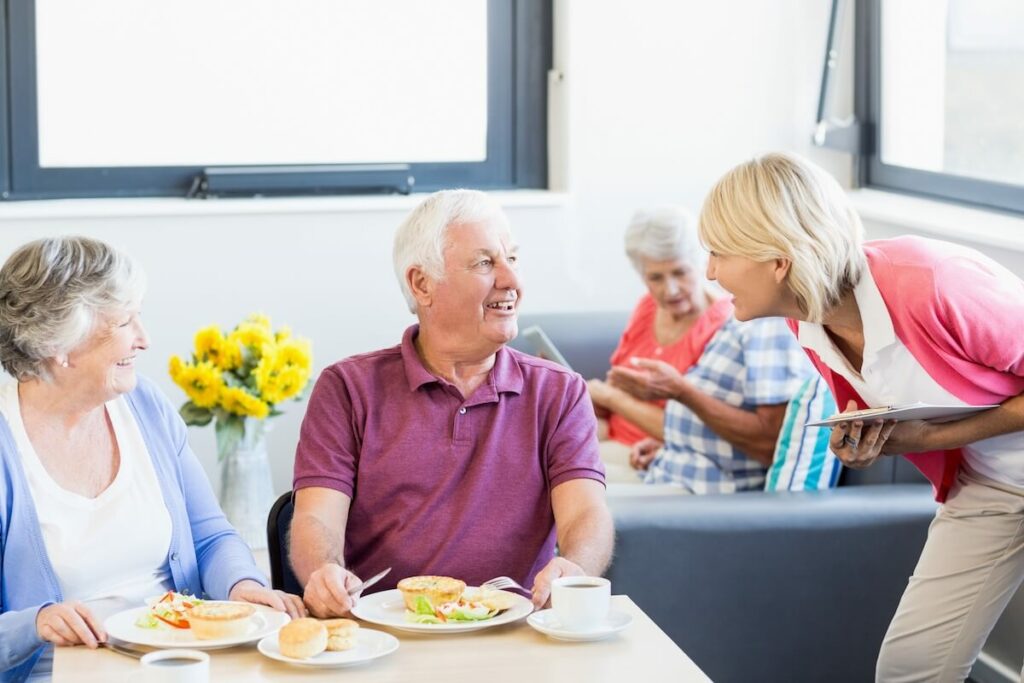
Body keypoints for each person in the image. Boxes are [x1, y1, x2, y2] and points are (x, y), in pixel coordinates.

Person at [698, 151, 1024, 682]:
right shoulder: (807, 323)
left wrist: (929, 437)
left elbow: (935, 426)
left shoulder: (933, 281)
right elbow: (900, 413)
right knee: (911, 669)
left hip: (993, 470)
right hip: (993, 485)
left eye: (718, 252)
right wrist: (870, 440)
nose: (710, 273)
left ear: (777, 260)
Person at [289, 189, 614, 618]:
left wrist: (575, 568)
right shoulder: (346, 388)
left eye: (512, 259)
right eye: (484, 263)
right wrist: (324, 572)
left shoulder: (559, 391)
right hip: (385, 632)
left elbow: (586, 514)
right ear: (422, 284)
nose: (511, 281)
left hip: (512, 632)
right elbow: (316, 520)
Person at [0, 237, 305, 682]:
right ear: (58, 346)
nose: (144, 340)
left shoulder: (147, 406)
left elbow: (210, 537)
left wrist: (244, 585)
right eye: (125, 322)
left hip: (185, 663)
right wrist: (36, 623)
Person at [586, 208, 733, 454]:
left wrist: (611, 397)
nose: (670, 290)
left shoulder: (725, 324)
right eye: (656, 278)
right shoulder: (647, 307)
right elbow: (616, 386)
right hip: (609, 438)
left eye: (680, 272)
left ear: (702, 263)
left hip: (653, 454)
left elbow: (700, 430)